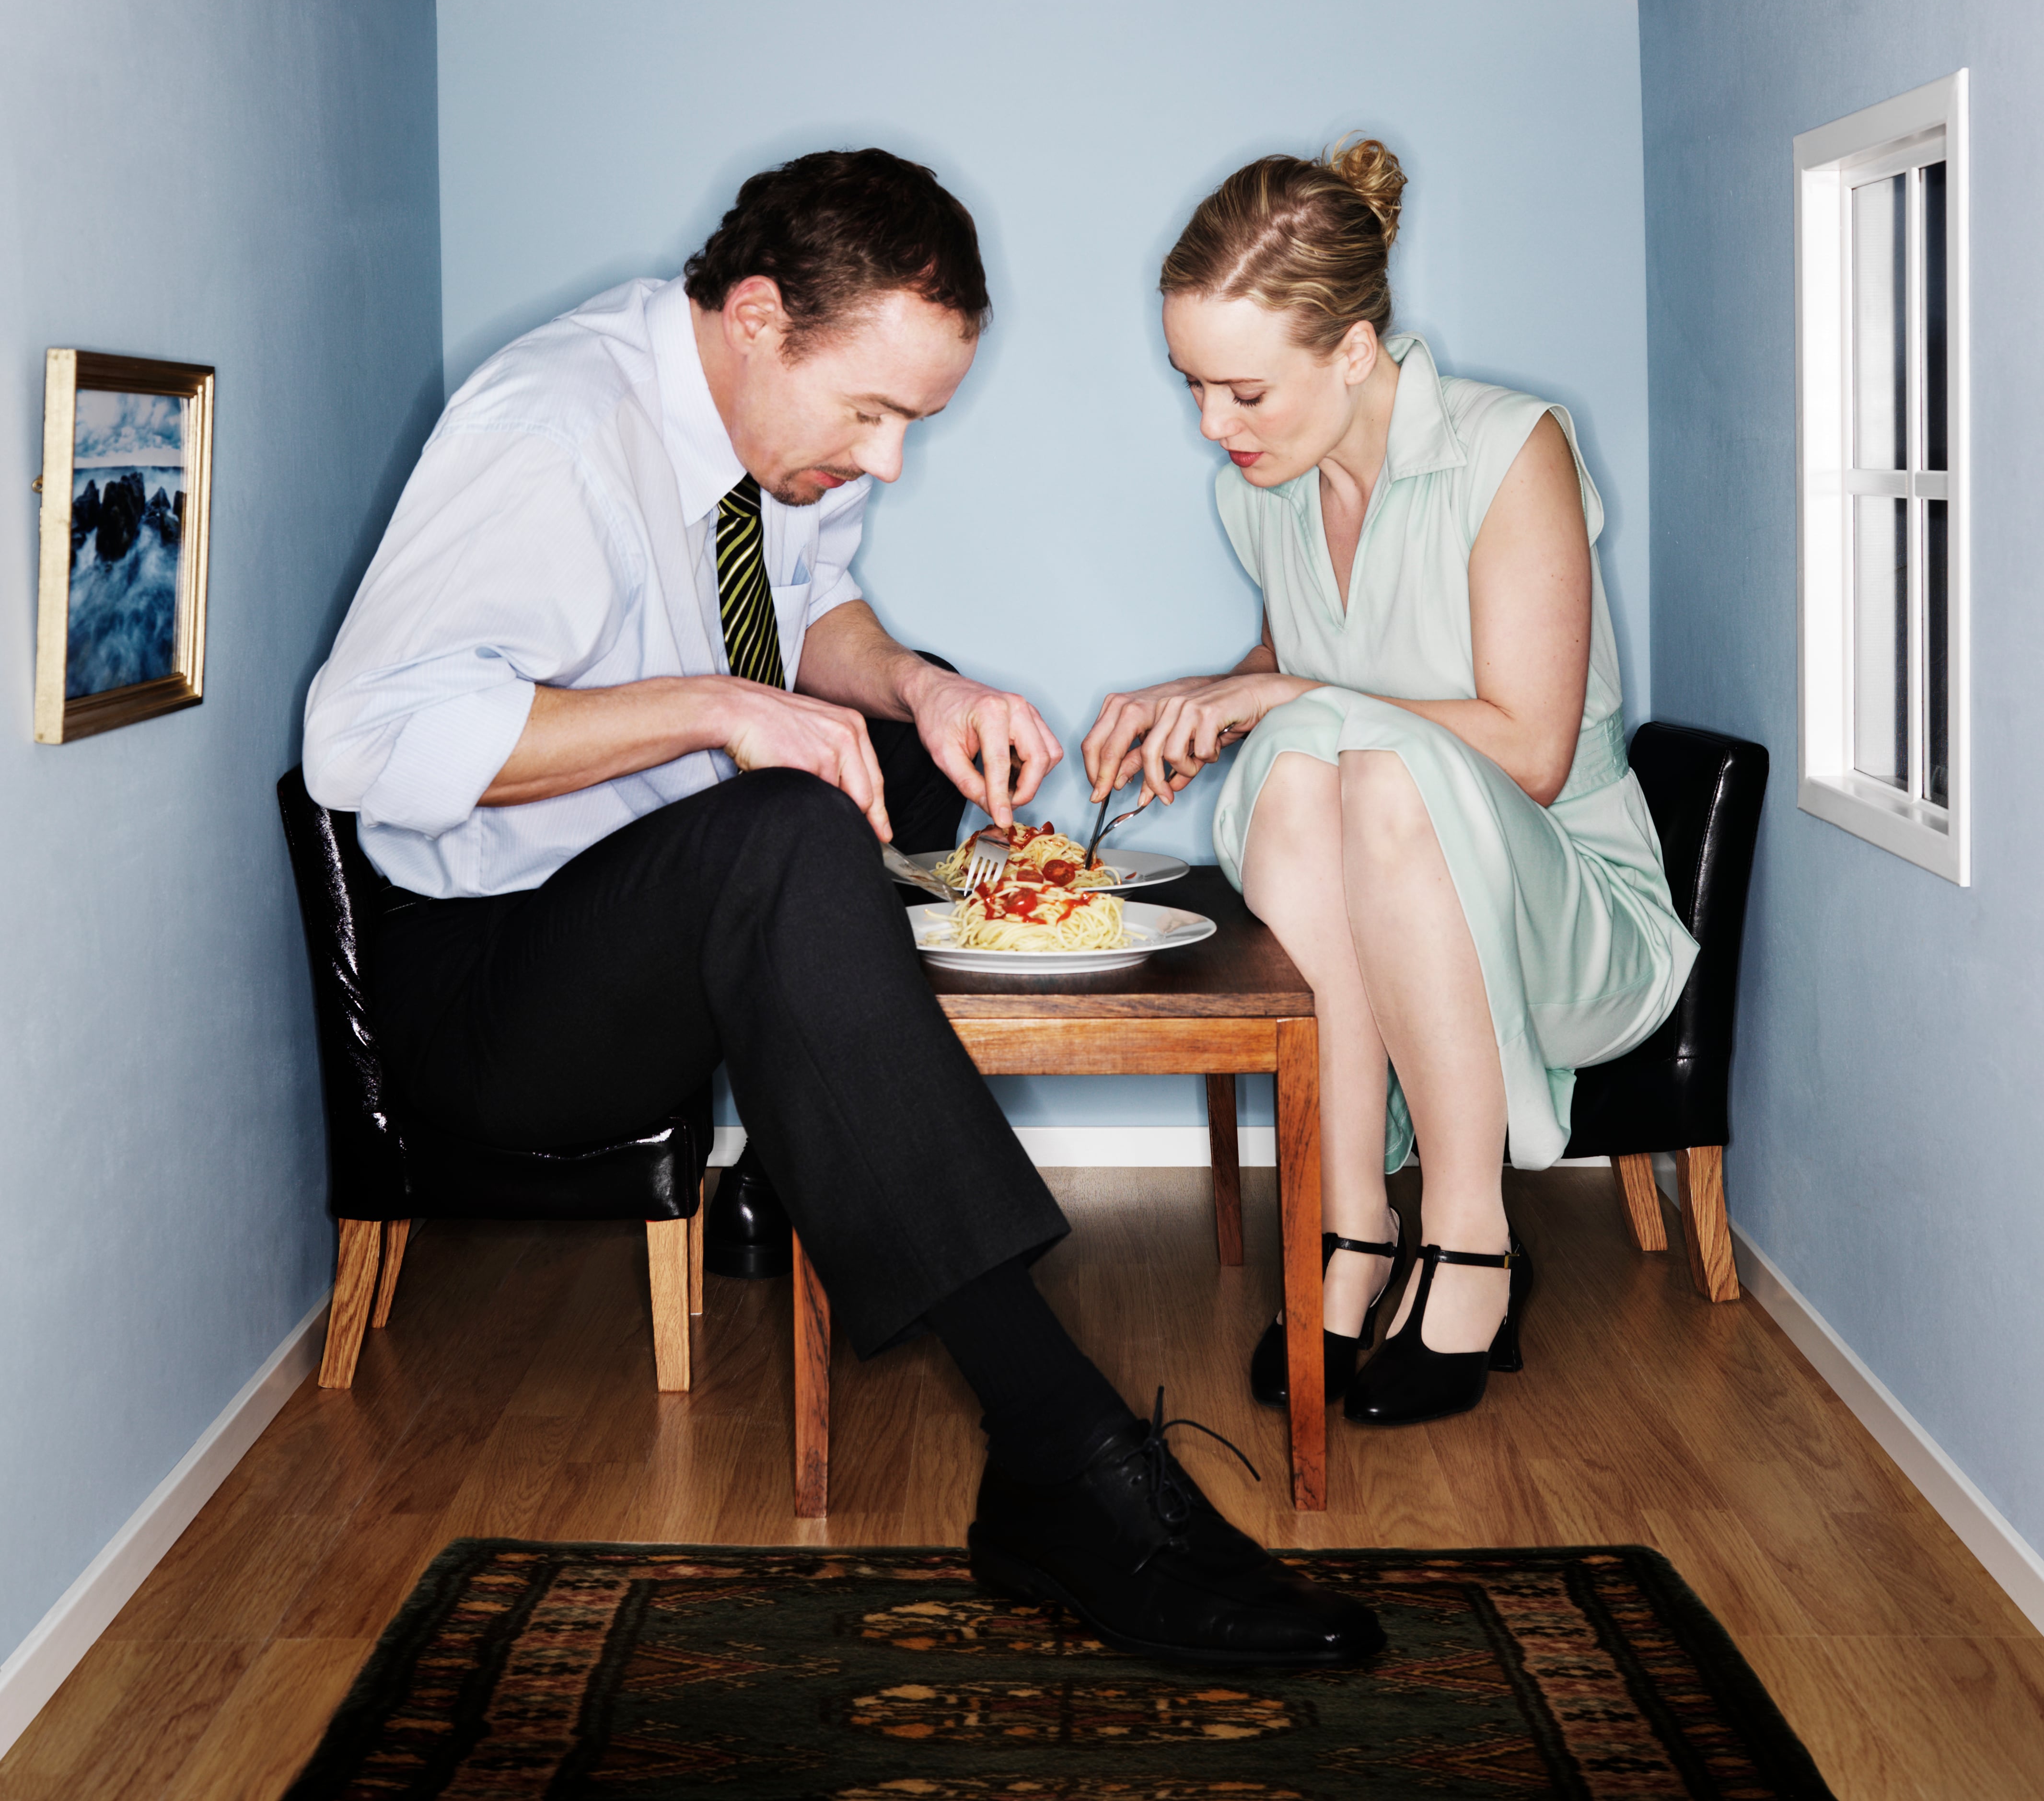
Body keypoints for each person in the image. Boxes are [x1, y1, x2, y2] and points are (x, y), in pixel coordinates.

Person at [302, 148, 1382, 1668]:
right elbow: (358, 745)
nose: (883, 463)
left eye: (911, 425)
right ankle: (1065, 1461)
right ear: (757, 318)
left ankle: (821, 1160)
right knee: (792, 826)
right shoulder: (552, 430)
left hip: (639, 924)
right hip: (489, 993)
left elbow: (812, 615)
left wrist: (926, 690)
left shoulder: (758, 437)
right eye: (868, 414)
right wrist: (711, 709)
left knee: (898, 768)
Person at [1083, 139, 1697, 1428]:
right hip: (1378, 889)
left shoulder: (1509, 449)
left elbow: (1529, 748)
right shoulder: (1266, 493)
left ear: (1354, 354)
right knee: (1310, 776)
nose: (1212, 425)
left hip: (1556, 914)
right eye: (1192, 384)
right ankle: (1354, 1226)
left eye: (1242, 391)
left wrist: (1276, 698)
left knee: (1380, 776)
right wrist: (1207, 699)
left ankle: (1471, 1238)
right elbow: (1311, 661)